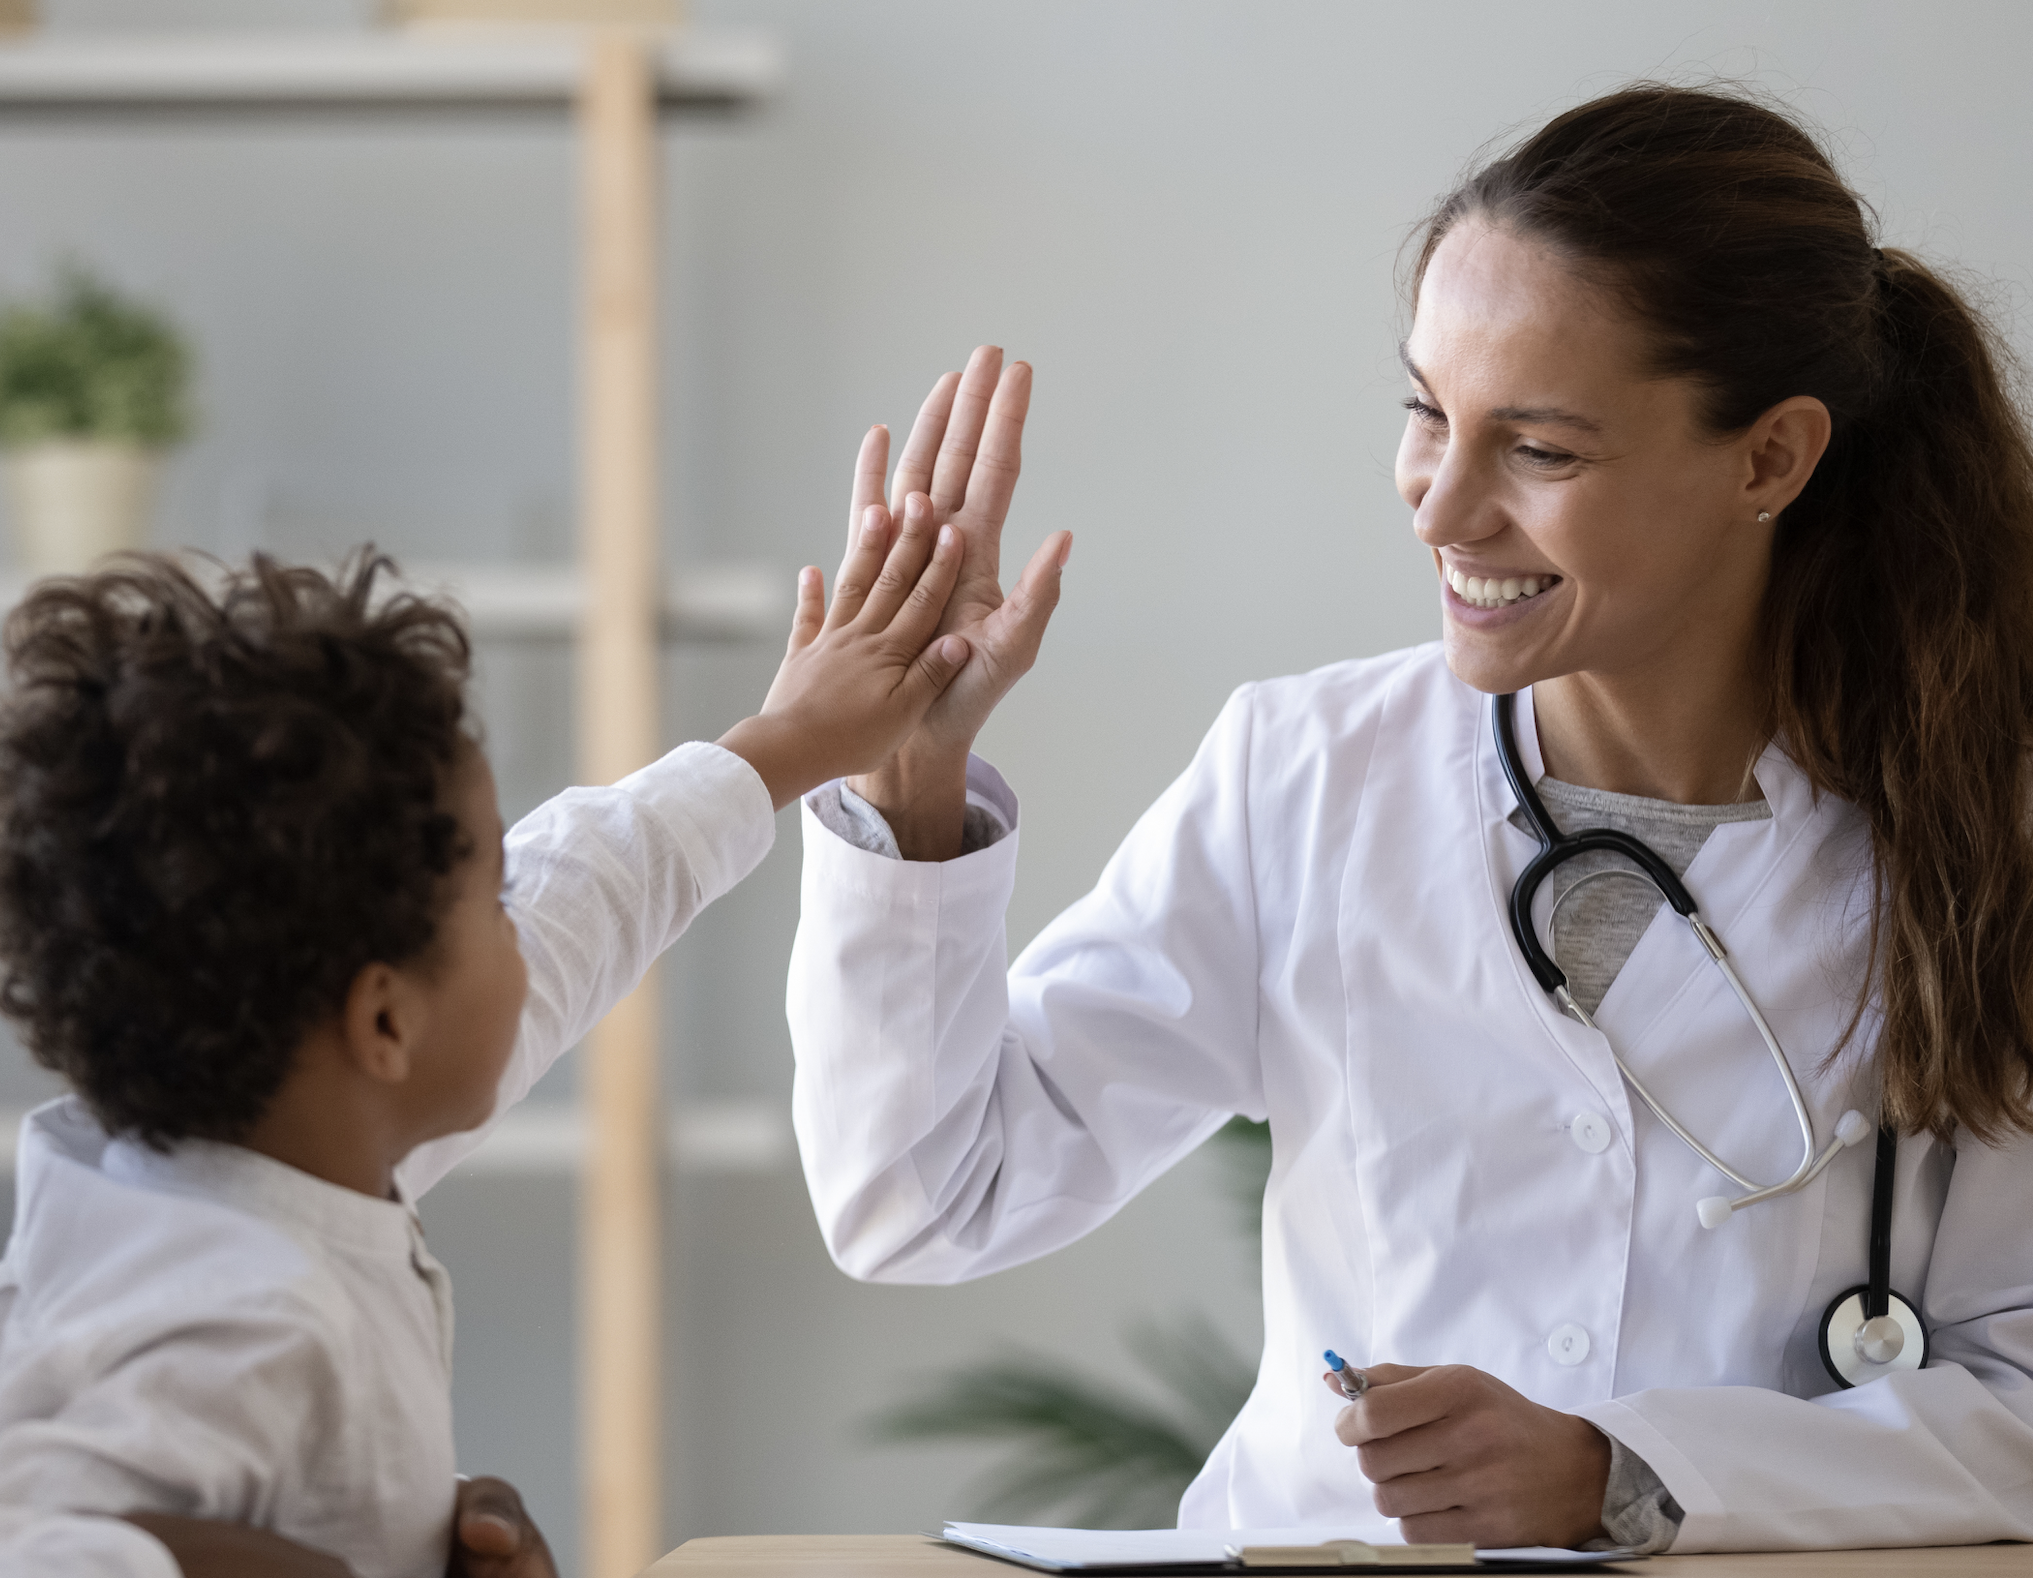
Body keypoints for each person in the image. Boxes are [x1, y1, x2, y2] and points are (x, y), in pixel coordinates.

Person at [785, 86, 2033, 1555]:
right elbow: (927, 1201)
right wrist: (908, 791)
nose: (1440, 509)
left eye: (1539, 452)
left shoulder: (1971, 830)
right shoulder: (1307, 775)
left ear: (1767, 458)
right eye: (1425, 415)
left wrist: (1623, 1473)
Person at [0, 532, 972, 1578]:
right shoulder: (232, 1313)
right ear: (384, 1024)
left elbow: (580, 899)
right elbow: (0, 1550)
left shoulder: (240, 1168)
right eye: (490, 904)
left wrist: (782, 745)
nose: (524, 928)